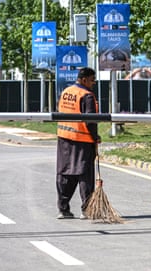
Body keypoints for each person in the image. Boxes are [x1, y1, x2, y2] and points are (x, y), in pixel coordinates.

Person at [56, 67, 101, 219]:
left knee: (65, 173)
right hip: (82, 140)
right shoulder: (87, 95)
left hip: (64, 138)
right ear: (83, 79)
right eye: (92, 80)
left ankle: (63, 209)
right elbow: (91, 120)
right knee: (84, 175)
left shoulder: (66, 92)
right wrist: (95, 137)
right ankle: (86, 210)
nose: (93, 83)